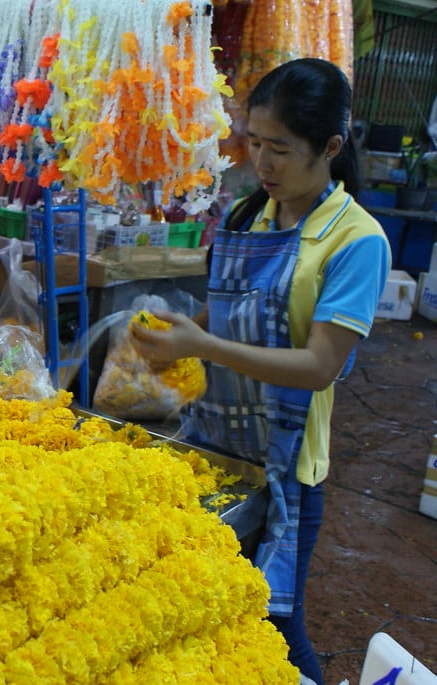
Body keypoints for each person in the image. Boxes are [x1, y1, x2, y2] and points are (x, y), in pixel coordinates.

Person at [129, 58, 391, 685]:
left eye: (279, 149)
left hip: (287, 467)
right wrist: (173, 337)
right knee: (200, 599)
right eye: (253, 144)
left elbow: (320, 366)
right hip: (214, 449)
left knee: (273, 618)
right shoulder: (249, 217)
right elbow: (220, 318)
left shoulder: (356, 241)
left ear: (329, 147)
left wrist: (207, 346)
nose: (262, 164)